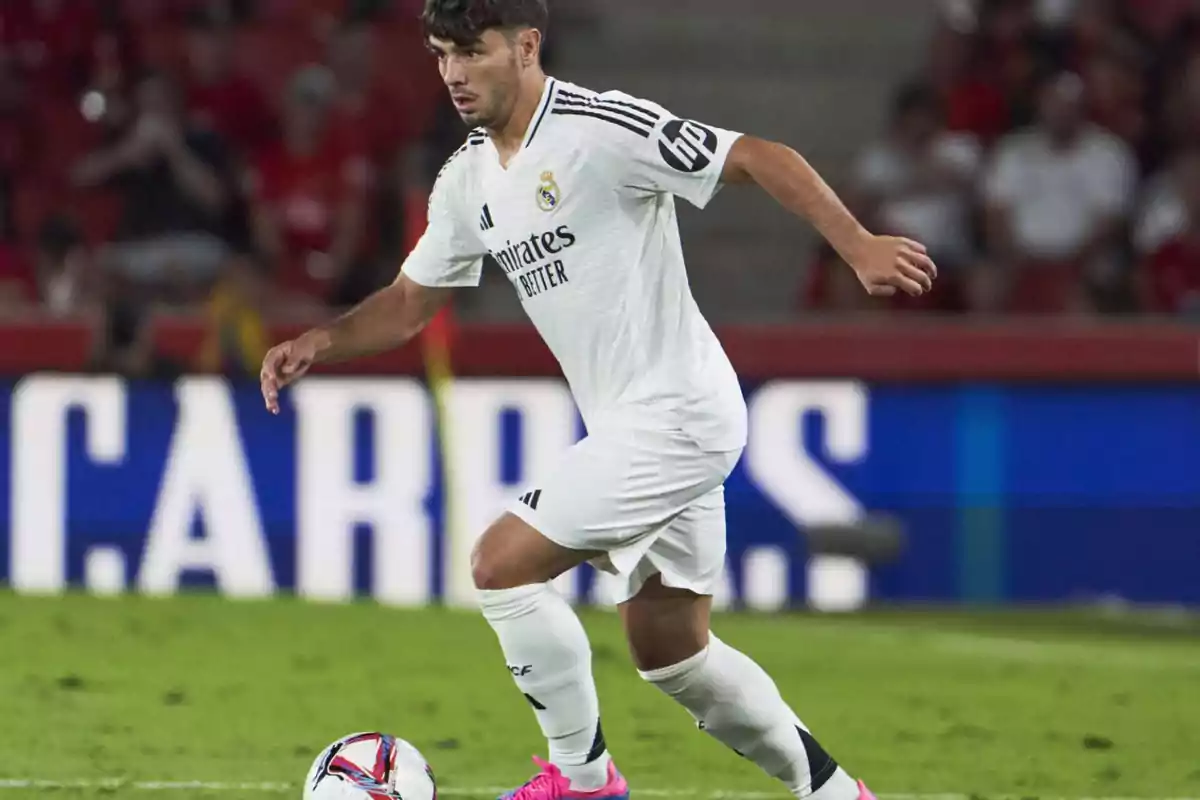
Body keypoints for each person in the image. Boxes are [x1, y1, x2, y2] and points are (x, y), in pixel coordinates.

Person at [259, 2, 936, 800]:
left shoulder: (600, 128)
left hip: (679, 412)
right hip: (637, 424)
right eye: (442, 55)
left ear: (526, 46)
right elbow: (411, 300)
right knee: (675, 655)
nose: (452, 73)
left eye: (471, 53)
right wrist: (321, 342)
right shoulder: (468, 179)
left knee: (499, 566)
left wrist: (857, 245)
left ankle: (583, 782)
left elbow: (757, 155)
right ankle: (835, 794)